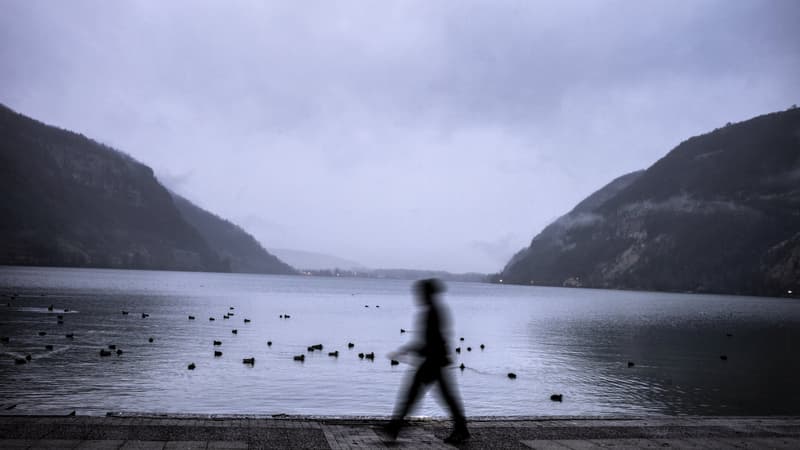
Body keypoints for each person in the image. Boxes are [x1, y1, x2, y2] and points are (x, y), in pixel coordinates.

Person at [384, 278, 470, 444]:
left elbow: (430, 340)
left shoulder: (432, 312)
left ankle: (394, 426)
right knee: (442, 397)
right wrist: (409, 350)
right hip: (435, 360)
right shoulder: (434, 310)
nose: (417, 296)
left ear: (427, 294)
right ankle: (461, 429)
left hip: (433, 361)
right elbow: (431, 340)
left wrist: (405, 350)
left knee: (413, 395)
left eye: (420, 293)